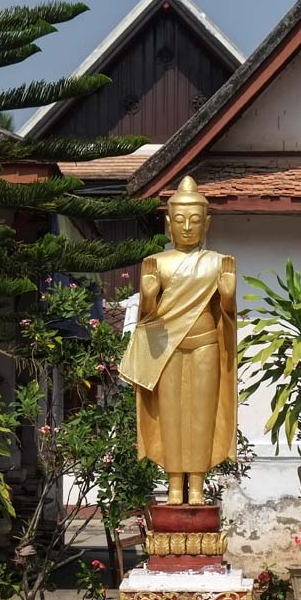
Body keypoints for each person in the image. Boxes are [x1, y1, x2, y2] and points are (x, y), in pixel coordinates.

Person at [118, 175, 237, 506]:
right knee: (170, 415)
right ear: (168, 223)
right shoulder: (156, 263)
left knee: (201, 415)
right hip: (166, 347)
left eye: (195, 220)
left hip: (205, 344)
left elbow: (226, 317)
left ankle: (196, 484)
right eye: (180, 220)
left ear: (207, 224)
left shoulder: (217, 262)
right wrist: (148, 297)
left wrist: (227, 298)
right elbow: (148, 319)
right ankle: (173, 485)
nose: (187, 227)